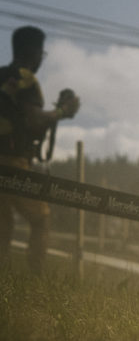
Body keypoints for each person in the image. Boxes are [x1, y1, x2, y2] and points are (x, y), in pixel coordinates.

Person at [0, 25, 80, 272]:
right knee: (41, 217)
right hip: (12, 163)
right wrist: (62, 112)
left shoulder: (2, 75)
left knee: (3, 224)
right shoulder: (26, 79)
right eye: (41, 54)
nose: (41, 60)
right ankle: (35, 277)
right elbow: (34, 119)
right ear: (33, 53)